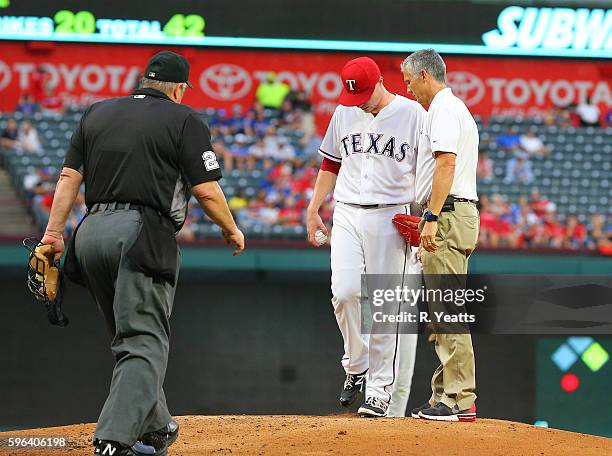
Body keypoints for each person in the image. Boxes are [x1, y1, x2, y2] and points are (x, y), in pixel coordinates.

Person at [38, 51, 245, 456]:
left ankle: (156, 426)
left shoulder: (96, 113)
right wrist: (230, 227)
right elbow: (205, 188)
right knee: (144, 341)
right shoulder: (185, 119)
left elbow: (68, 177)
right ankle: (112, 440)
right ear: (179, 87)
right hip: (139, 233)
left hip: (90, 233)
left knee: (128, 339)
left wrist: (54, 232)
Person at [306, 57, 424, 418]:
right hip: (347, 210)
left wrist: (423, 216)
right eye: (352, 95)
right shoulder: (344, 112)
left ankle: (378, 391)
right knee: (344, 292)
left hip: (392, 213)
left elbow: (429, 168)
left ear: (379, 83)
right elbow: (330, 163)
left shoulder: (413, 113)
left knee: (385, 304)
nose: (358, 101)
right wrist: (313, 208)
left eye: (364, 94)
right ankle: (356, 364)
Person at [402, 49, 479, 422]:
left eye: (409, 80)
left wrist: (430, 216)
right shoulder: (452, 108)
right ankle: (444, 396)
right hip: (452, 213)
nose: (408, 87)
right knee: (442, 309)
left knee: (447, 309)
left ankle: (460, 400)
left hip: (446, 214)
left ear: (424, 75)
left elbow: (445, 163)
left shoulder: (444, 110)